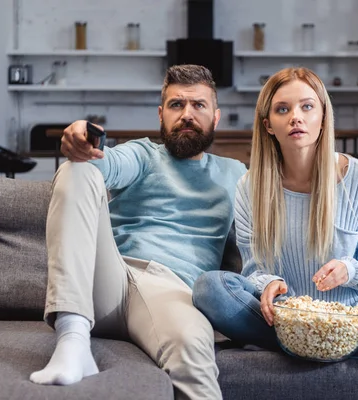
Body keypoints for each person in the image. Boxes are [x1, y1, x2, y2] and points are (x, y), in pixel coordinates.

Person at [192, 67, 358, 364]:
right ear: (268, 125)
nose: (296, 117)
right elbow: (253, 272)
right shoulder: (250, 187)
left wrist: (349, 270)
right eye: (282, 109)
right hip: (282, 323)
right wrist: (267, 284)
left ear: (323, 116)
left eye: (307, 106)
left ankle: (316, 347)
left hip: (353, 325)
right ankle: (314, 347)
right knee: (209, 288)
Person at [29, 64, 246, 400]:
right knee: (80, 170)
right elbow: (106, 162)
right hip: (107, 281)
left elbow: (261, 240)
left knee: (192, 347)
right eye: (176, 105)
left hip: (172, 293)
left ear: (215, 117)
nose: (187, 114)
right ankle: (72, 339)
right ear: (161, 114)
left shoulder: (236, 174)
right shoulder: (143, 154)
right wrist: (82, 145)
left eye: (199, 105)